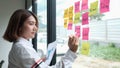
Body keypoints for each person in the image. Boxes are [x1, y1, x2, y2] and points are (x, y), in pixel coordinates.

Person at [3, 9, 79, 68]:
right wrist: (71, 52)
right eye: (31, 24)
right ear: (19, 26)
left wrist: (38, 62)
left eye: (35, 24)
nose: (35, 28)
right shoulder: (22, 48)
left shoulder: (20, 45)